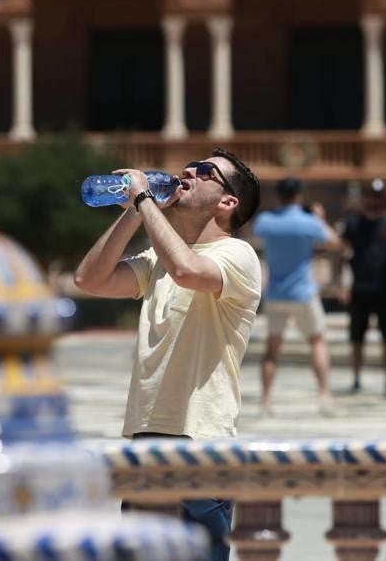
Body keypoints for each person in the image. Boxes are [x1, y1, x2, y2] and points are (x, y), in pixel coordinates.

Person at [74, 148, 261, 561]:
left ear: (228, 202)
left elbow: (188, 271)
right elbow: (90, 279)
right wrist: (134, 211)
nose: (189, 171)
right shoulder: (158, 257)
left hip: (201, 438)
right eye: (191, 166)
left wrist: (144, 199)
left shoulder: (238, 255)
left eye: (206, 172)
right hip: (148, 434)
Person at [251, 177, 340, 417]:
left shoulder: (267, 221)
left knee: (272, 348)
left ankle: (266, 401)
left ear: (279, 195)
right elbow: (333, 242)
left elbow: (254, 233)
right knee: (317, 341)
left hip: (276, 293)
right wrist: (319, 218)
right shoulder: (309, 222)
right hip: (303, 292)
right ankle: (324, 396)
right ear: (300, 195)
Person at [339, 179, 386, 395]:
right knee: (356, 339)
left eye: (378, 196)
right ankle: (356, 379)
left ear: (383, 198)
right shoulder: (353, 224)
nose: (374, 200)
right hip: (360, 289)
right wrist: (342, 284)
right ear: (365, 198)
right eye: (371, 196)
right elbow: (343, 254)